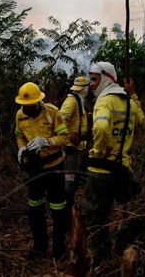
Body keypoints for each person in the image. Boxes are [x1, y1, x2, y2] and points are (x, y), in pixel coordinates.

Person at [84, 61, 145, 267]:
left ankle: (100, 262)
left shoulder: (104, 101)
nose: (91, 84)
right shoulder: (129, 102)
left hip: (100, 170)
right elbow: (142, 122)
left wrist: (100, 151)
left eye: (94, 79)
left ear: (108, 78)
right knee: (110, 214)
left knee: (96, 219)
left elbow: (100, 127)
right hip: (121, 171)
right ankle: (113, 256)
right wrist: (134, 95)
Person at [14, 82, 70, 260]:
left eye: (31, 106)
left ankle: (59, 249)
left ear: (38, 102)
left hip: (54, 167)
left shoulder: (52, 112)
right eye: (25, 106)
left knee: (58, 209)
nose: (27, 109)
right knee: (35, 209)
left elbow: (65, 137)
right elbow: (19, 135)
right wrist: (21, 148)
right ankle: (39, 247)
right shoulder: (19, 116)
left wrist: (46, 142)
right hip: (35, 169)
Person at [59, 76, 90, 221]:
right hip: (71, 149)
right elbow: (61, 119)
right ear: (84, 88)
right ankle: (65, 216)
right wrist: (71, 136)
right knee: (69, 182)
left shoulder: (79, 101)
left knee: (74, 179)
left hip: (77, 148)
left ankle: (68, 212)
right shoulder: (71, 101)